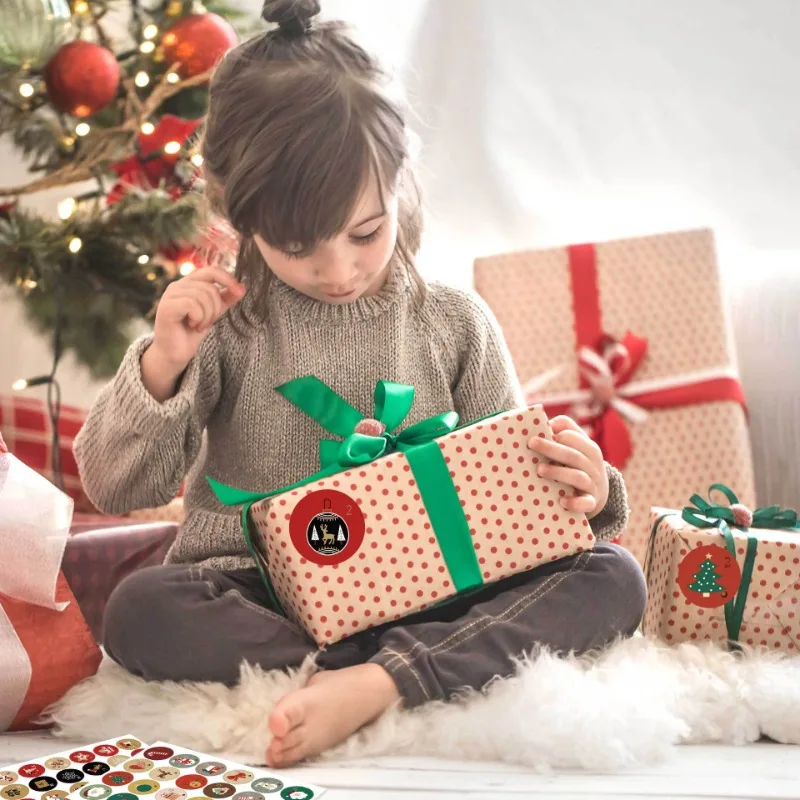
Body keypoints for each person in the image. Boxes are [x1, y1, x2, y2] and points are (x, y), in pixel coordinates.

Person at [74, 0, 647, 769]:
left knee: (612, 578)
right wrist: (161, 365)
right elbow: (114, 485)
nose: (338, 269)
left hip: (434, 586)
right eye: (298, 244)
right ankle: (419, 665)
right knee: (141, 611)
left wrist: (587, 488)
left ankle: (378, 679)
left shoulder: (455, 322)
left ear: (400, 180)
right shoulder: (223, 329)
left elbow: (520, 517)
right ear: (236, 210)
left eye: (365, 233)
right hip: (264, 592)